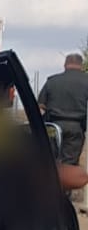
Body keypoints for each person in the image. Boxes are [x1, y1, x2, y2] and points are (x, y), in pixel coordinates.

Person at [38, 53, 88, 184]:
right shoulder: (86, 80)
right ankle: (64, 197)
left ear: (65, 65)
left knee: (51, 163)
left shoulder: (52, 81)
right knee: (69, 166)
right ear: (81, 65)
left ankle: (48, 193)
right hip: (75, 127)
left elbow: (40, 107)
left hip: (53, 127)